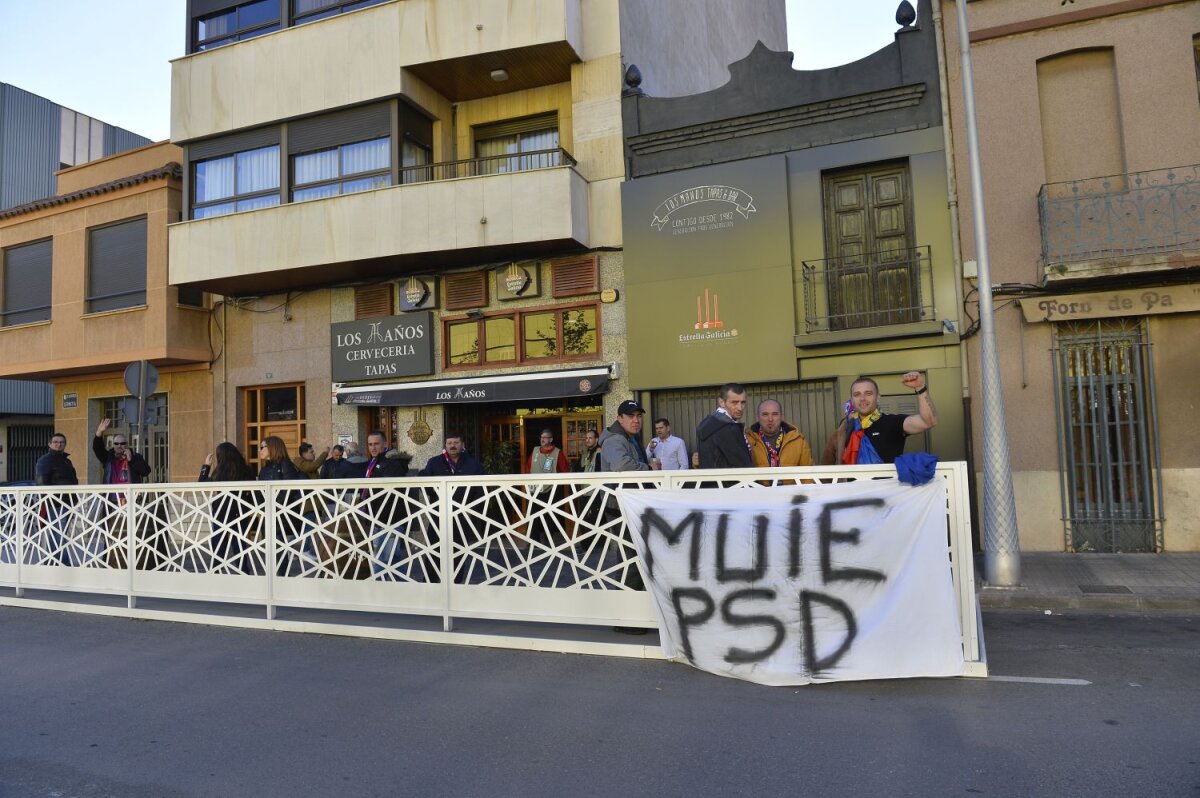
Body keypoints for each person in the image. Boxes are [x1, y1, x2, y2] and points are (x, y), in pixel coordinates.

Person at [822, 371, 938, 465]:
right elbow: (826, 468)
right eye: (857, 394)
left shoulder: (892, 422)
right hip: (853, 493)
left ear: (878, 397)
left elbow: (928, 422)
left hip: (886, 493)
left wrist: (920, 388)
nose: (862, 398)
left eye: (868, 393)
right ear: (852, 400)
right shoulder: (844, 429)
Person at [91, 419, 152, 569]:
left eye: (123, 443)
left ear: (127, 444)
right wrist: (99, 433)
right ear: (113, 445)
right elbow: (97, 448)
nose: (120, 446)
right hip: (112, 502)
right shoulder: (108, 458)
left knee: (132, 532)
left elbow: (146, 471)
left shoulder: (135, 457)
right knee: (110, 533)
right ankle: (108, 562)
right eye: (117, 444)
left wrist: (131, 461)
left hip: (132, 502)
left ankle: (131, 562)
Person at [359, 431, 416, 580]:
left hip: (388, 518)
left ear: (385, 444)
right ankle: (398, 590)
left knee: (384, 559)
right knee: (390, 558)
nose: (373, 447)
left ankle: (383, 591)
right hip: (377, 517)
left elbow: (387, 491)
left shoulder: (391, 462)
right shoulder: (374, 462)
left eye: (376, 444)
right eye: (370, 444)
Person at [199, 442, 259, 574]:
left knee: (218, 550)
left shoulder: (219, 472)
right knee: (240, 550)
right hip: (240, 514)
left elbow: (202, 484)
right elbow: (254, 492)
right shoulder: (246, 470)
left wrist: (206, 466)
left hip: (221, 514)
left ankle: (216, 575)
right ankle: (244, 574)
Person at [256, 436, 309, 576]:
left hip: (281, 513)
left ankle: (281, 576)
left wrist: (275, 507)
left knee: (278, 545)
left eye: (262, 447)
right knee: (270, 546)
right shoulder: (264, 468)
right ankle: (274, 577)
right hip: (267, 513)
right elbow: (260, 491)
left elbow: (288, 488)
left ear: (272, 447)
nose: (260, 450)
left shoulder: (285, 464)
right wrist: (262, 508)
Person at [33, 432, 78, 566]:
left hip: (67, 502)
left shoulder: (66, 460)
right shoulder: (45, 460)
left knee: (58, 534)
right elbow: (41, 481)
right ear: (50, 444)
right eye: (56, 442)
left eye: (62, 442)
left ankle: (51, 564)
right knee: (59, 535)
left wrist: (74, 499)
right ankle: (64, 564)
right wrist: (49, 500)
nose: (59, 444)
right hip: (55, 503)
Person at [695, 383, 752, 469]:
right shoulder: (728, 428)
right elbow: (742, 465)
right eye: (734, 402)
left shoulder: (707, 424)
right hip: (731, 482)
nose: (740, 408)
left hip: (710, 481)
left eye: (743, 402)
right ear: (721, 402)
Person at [747, 400, 814, 469]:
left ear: (782, 417)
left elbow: (808, 475)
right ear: (757, 418)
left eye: (775, 414)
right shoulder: (747, 441)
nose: (770, 419)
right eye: (765, 414)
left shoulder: (799, 441)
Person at [599, 400, 653, 472]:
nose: (636, 420)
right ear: (620, 419)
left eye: (639, 416)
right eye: (631, 416)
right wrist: (649, 468)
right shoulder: (612, 440)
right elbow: (621, 465)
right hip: (619, 483)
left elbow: (638, 460)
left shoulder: (634, 437)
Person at [419, 433, 486, 477]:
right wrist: (434, 494)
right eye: (449, 443)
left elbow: (480, 489)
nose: (453, 445)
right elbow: (423, 481)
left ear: (463, 445)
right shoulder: (434, 462)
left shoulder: (474, 464)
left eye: (456, 442)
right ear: (445, 446)